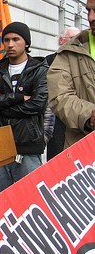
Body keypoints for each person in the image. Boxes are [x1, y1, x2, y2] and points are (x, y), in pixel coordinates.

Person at [0, 22, 48, 197]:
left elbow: (38, 104)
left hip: (27, 144)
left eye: (15, 39)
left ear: (26, 43)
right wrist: (18, 98)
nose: (10, 44)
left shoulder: (39, 70)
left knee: (31, 200)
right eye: (6, 40)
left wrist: (1, 105)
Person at [48, 0, 95, 147]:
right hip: (84, 153)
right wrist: (89, 115)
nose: (91, 17)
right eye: (88, 11)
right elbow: (59, 97)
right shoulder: (70, 52)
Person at [45, 26, 80, 160]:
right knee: (57, 156)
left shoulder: (83, 61)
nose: (76, 41)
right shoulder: (48, 61)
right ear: (61, 40)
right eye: (72, 38)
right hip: (56, 115)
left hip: (77, 114)